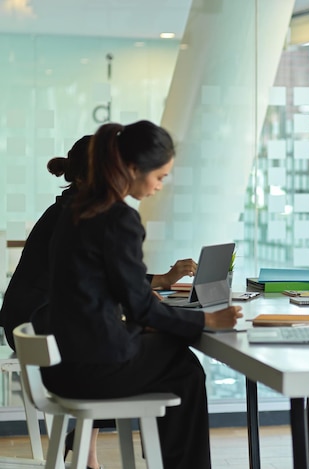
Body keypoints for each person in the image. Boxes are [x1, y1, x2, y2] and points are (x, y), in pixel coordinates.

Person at [31, 120, 242, 469]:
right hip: (88, 370)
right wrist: (206, 319)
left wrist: (149, 321)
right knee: (186, 369)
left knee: (175, 359)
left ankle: (166, 459)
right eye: (159, 176)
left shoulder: (74, 210)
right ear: (132, 168)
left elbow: (100, 293)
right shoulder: (118, 218)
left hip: (59, 365)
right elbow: (140, 306)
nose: (160, 186)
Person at [0, 136, 199, 469]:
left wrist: (158, 283)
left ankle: (85, 444)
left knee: (125, 347)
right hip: (45, 330)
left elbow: (98, 275)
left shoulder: (67, 209)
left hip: (38, 326)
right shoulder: (85, 214)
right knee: (162, 361)